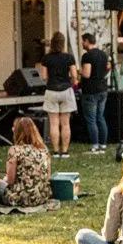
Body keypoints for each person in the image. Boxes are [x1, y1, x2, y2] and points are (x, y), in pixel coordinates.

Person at [38, 31, 78, 159]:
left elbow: (44, 77)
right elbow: (74, 75)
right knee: (66, 123)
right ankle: (65, 151)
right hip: (66, 89)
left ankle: (55, 151)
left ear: (52, 43)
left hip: (51, 90)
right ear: (63, 43)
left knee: (54, 123)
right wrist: (72, 82)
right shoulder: (69, 57)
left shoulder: (46, 58)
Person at [5, 115, 52, 207]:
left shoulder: (15, 150)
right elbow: (48, 176)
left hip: (21, 198)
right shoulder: (44, 150)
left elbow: (10, 180)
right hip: (43, 196)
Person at [79, 32, 110, 152]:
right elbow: (108, 68)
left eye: (82, 41)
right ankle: (103, 144)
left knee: (91, 119)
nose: (82, 43)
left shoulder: (87, 56)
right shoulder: (103, 54)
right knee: (100, 117)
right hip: (103, 89)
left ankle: (95, 144)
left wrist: (79, 71)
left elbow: (87, 74)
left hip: (90, 90)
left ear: (87, 41)